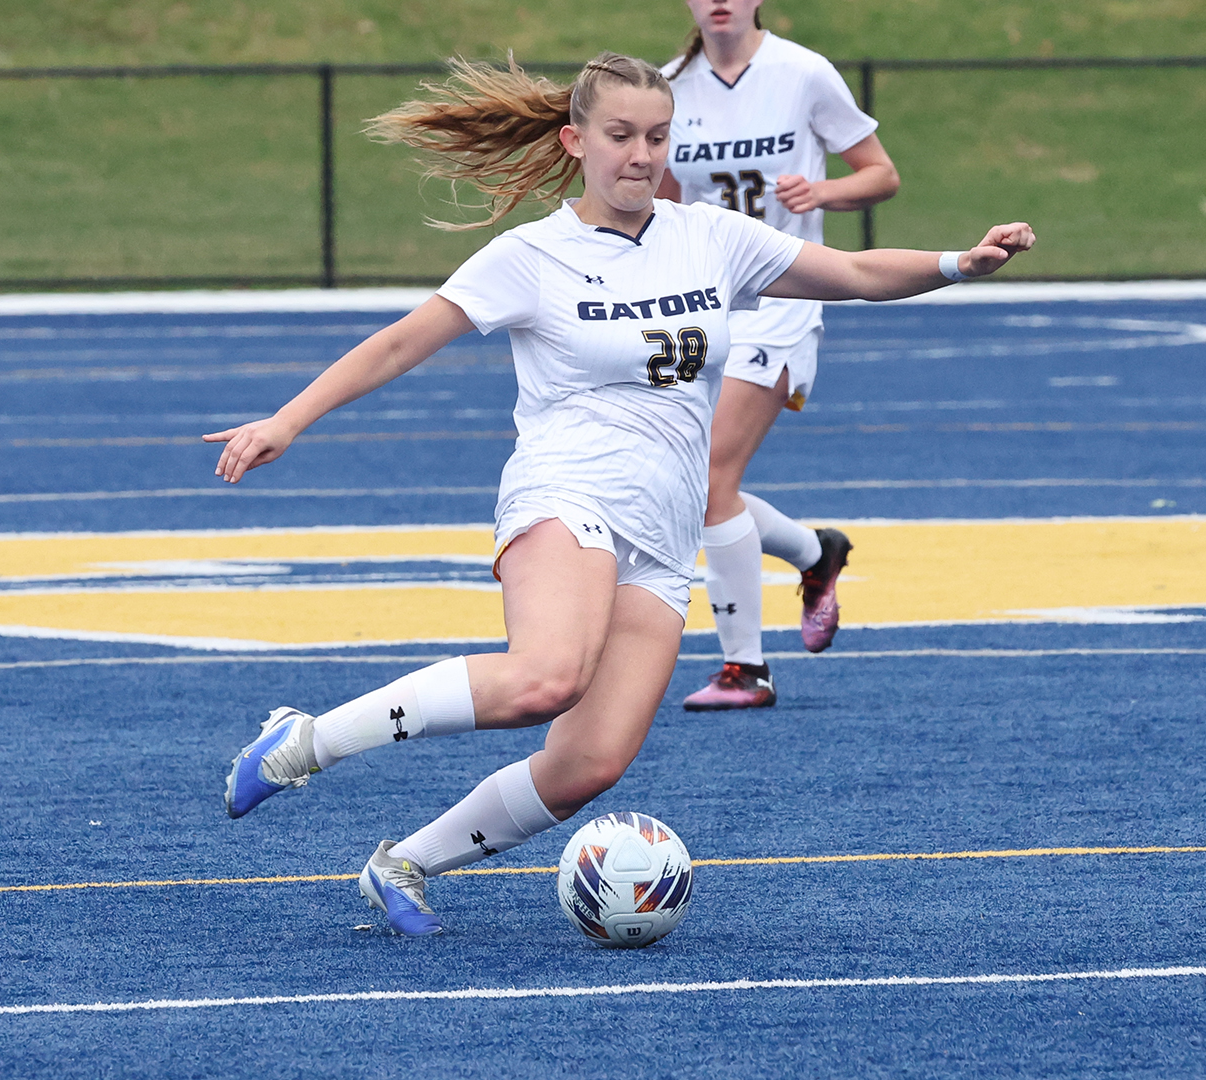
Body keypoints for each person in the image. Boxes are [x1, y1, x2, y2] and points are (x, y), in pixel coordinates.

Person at [211, 52, 1030, 936]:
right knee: (544, 678)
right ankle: (305, 741)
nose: (642, 154)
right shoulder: (532, 254)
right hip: (567, 492)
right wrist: (288, 420)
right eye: (620, 136)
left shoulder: (710, 236)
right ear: (576, 142)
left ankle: (403, 863)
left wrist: (960, 261)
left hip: (665, 527)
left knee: (590, 762)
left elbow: (861, 274)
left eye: (657, 135)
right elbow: (404, 343)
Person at [659, 0, 900, 711]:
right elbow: (665, 200)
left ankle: (746, 670)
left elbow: (881, 174)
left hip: (782, 300)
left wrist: (822, 190)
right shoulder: (670, 84)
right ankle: (814, 552)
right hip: (705, 308)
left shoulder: (802, 72)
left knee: (708, 479)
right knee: (696, 486)